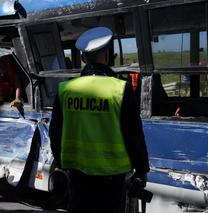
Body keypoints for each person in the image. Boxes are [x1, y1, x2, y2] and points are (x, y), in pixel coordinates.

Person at [49, 27, 150, 213]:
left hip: (77, 174)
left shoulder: (65, 89)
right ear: (107, 56)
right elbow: (134, 135)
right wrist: (142, 169)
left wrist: (59, 161)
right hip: (112, 178)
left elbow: (55, 132)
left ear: (83, 58)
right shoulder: (120, 89)